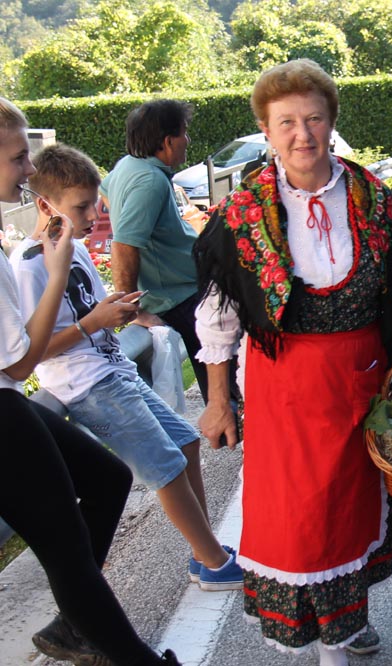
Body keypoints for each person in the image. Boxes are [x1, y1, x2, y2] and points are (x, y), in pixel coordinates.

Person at [193, 59, 392, 665]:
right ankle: (329, 644)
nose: (303, 134)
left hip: (362, 381)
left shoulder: (373, 198)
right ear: (267, 131)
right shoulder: (242, 212)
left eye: (315, 119)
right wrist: (218, 401)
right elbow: (219, 316)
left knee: (352, 509)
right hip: (285, 387)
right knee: (301, 519)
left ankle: (344, 622)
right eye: (287, 122)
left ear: (331, 122)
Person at [11, 144, 242, 599]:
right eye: (81, 207)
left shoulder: (75, 249)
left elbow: (90, 308)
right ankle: (213, 560)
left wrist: (116, 309)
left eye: (95, 203)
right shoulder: (29, 265)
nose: (93, 214)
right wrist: (94, 322)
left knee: (186, 440)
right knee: (165, 466)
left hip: (114, 368)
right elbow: (32, 352)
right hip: (87, 383)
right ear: (46, 206)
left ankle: (204, 550)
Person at [0, 96, 180, 666]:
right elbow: (20, 364)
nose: (28, 168)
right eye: (16, 157)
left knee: (105, 478)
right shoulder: (24, 260)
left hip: (11, 401)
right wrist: (58, 271)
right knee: (67, 547)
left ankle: (72, 627)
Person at [100, 99, 237, 408]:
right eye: (184, 132)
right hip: (180, 298)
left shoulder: (128, 165)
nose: (187, 140)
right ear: (167, 141)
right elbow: (124, 245)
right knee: (225, 382)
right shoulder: (149, 181)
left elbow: (105, 191)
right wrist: (131, 308)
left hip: (183, 293)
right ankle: (232, 426)